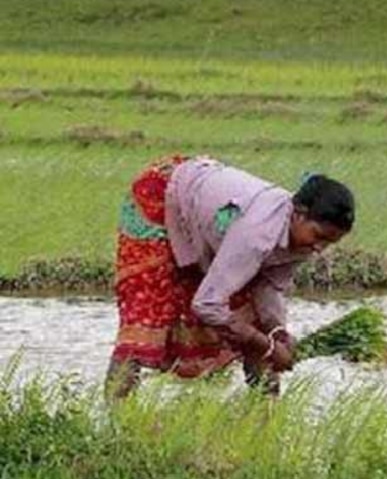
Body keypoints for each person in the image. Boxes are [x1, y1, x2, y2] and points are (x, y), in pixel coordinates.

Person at [106, 155, 354, 398]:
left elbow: (269, 287)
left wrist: (277, 333)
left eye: (330, 242)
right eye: (318, 236)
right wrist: (266, 345)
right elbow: (207, 304)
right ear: (298, 213)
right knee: (147, 315)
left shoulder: (301, 241)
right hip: (162, 197)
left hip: (209, 223)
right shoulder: (256, 235)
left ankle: (265, 417)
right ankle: (116, 418)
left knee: (251, 317)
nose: (320, 248)